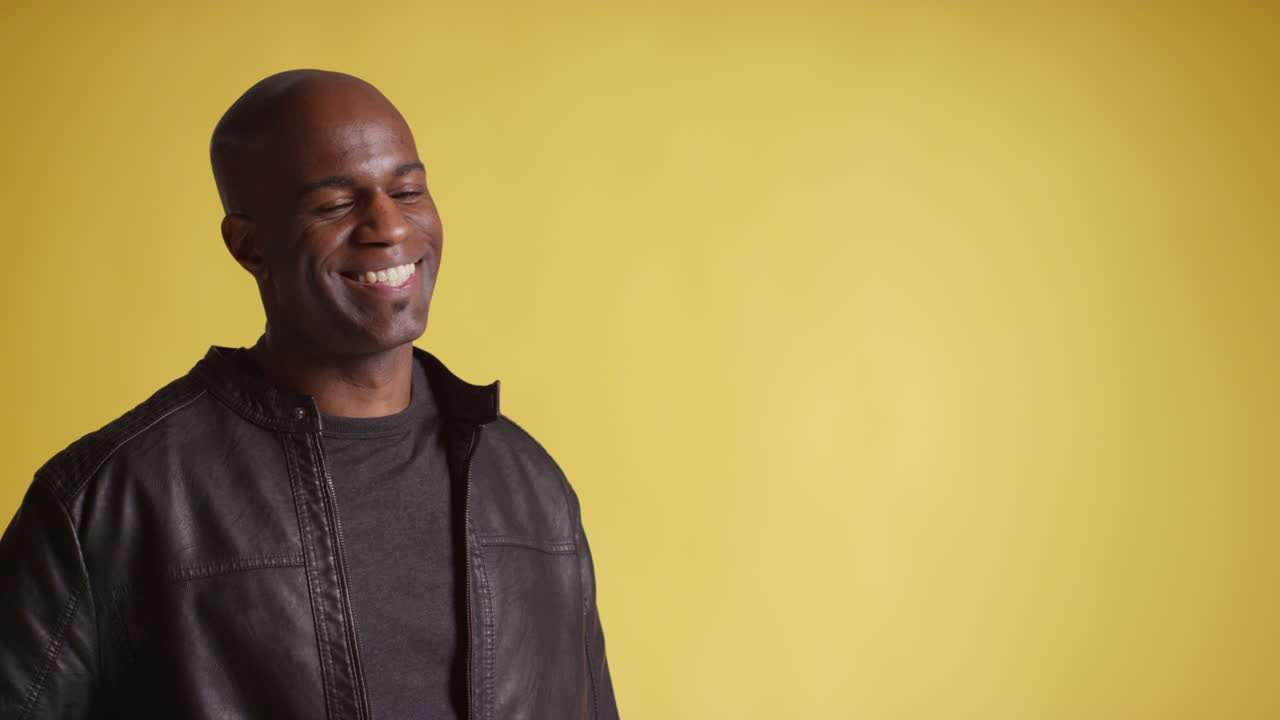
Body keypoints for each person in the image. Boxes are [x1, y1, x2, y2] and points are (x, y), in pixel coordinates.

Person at [0, 69, 619, 719]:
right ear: (249, 244)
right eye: (334, 205)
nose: (388, 226)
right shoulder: (108, 501)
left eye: (407, 190)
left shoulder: (529, 487)